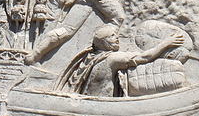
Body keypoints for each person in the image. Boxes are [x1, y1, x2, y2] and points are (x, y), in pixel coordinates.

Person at [56, 24, 184, 96]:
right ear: (103, 43)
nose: (116, 38)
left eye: (116, 35)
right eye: (112, 37)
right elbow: (144, 57)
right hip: (102, 105)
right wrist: (166, 43)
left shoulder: (91, 58)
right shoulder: (111, 59)